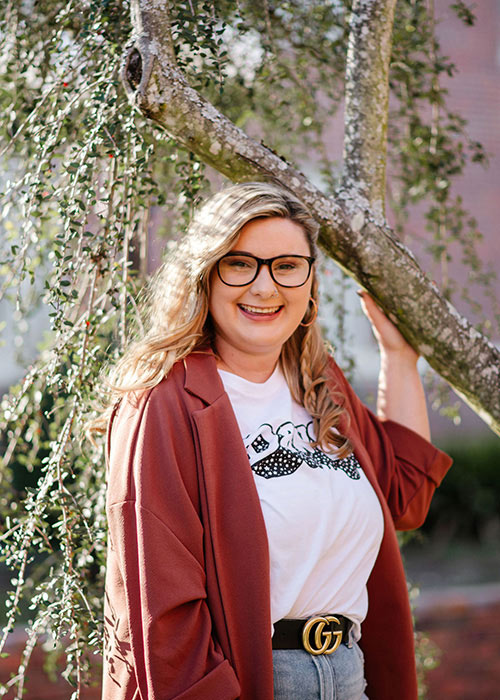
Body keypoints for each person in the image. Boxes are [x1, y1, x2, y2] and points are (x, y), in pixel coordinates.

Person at [98, 181, 452, 700]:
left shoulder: (317, 382)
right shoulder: (164, 403)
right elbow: (164, 609)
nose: (265, 288)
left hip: (350, 675)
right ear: (206, 275)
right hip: (256, 681)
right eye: (241, 263)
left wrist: (399, 358)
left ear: (310, 282)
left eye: (287, 265)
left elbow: (405, 496)